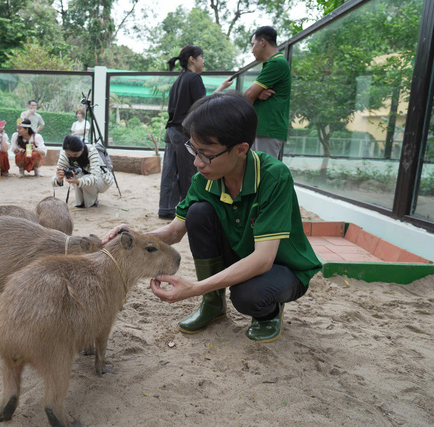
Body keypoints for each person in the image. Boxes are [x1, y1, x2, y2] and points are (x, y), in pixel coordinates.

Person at [104, 92, 321, 343]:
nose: (197, 162)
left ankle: (268, 314)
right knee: (198, 212)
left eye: (206, 153)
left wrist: (194, 288)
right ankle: (213, 304)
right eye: (194, 150)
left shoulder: (274, 177)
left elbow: (263, 259)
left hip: (281, 267)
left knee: (248, 296)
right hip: (241, 255)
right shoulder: (204, 180)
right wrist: (133, 236)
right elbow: (174, 232)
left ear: (240, 149)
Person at [218, 26, 291, 160]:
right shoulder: (272, 64)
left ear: (262, 42)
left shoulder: (277, 63)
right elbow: (251, 94)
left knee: (263, 173)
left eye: (253, 45)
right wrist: (258, 94)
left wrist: (254, 95)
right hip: (263, 129)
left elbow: (248, 95)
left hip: (268, 129)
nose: (252, 50)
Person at [158, 45, 206, 221]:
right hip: (184, 131)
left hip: (171, 131)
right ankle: (190, 211)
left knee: (169, 172)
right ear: (192, 59)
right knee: (189, 173)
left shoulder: (179, 80)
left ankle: (166, 209)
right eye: (201, 57)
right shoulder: (194, 78)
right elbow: (202, 107)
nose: (203, 61)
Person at [52, 135, 114, 208]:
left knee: (82, 177)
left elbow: (95, 176)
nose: (72, 157)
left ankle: (91, 202)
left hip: (102, 180)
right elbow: (54, 180)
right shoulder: (65, 156)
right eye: (68, 154)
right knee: (75, 174)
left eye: (75, 154)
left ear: (82, 148)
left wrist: (77, 181)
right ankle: (80, 202)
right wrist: (59, 179)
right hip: (84, 178)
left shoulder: (91, 150)